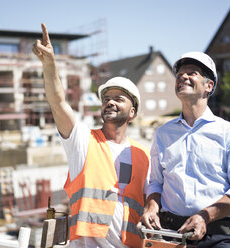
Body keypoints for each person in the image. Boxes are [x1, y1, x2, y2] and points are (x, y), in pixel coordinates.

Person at [33, 23, 150, 248]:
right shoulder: (84, 141)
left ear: (132, 112)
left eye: (119, 98)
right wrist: (50, 66)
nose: (110, 102)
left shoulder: (144, 155)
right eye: (107, 98)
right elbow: (57, 103)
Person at [140, 51, 230, 247]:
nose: (183, 77)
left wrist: (205, 216)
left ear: (208, 86)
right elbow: (155, 183)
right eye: (179, 75)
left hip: (217, 235)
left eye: (192, 73)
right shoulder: (162, 134)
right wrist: (151, 206)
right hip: (172, 235)